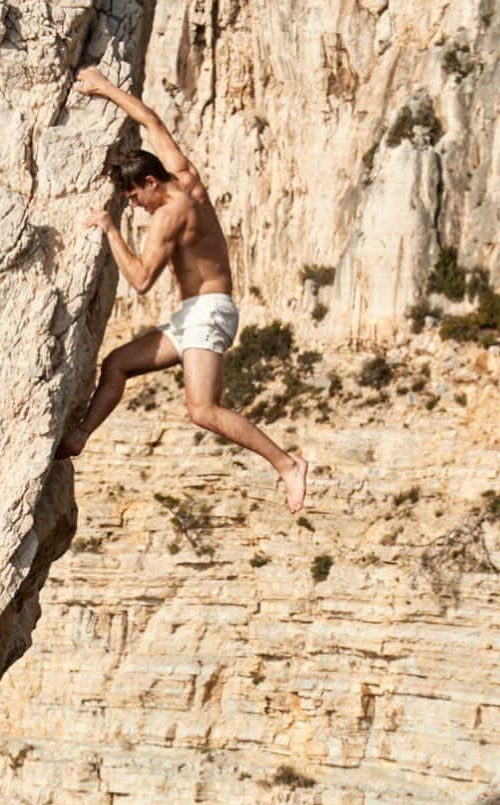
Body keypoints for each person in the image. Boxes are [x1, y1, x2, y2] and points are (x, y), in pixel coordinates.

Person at [55, 66, 309, 515]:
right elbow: (152, 121)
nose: (133, 205)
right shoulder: (183, 175)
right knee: (116, 364)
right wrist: (104, 88)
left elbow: (139, 279)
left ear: (151, 184)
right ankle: (79, 436)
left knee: (203, 410)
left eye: (134, 197)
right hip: (195, 312)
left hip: (208, 313)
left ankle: (287, 464)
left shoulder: (170, 216)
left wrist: (111, 229)